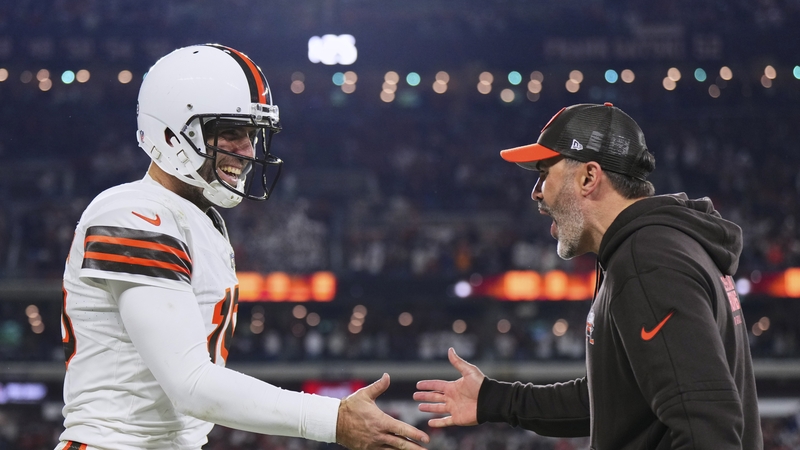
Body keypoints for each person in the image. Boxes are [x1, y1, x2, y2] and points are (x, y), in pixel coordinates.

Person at [57, 44, 429, 450]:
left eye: (251, 135)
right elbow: (191, 384)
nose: (249, 151)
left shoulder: (197, 218)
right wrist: (333, 419)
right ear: (172, 132)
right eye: (232, 132)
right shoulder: (135, 215)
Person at [414, 103, 762, 449]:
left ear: (588, 177)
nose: (536, 192)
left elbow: (707, 429)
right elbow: (613, 402)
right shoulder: (653, 249)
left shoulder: (647, 262)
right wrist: (494, 399)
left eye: (544, 173)